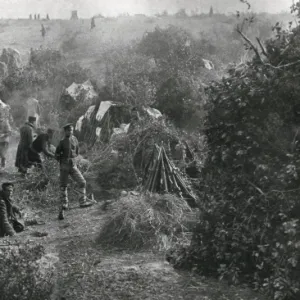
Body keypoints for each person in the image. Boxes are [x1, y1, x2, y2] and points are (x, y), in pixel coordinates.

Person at [55, 123, 95, 219]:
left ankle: (82, 201)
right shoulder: (62, 142)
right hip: (64, 166)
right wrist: (62, 161)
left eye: (72, 130)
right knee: (63, 186)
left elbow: (76, 152)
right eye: (68, 130)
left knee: (82, 182)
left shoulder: (75, 139)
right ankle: (65, 204)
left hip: (73, 165)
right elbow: (56, 155)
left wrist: (75, 161)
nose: (70, 132)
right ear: (65, 131)